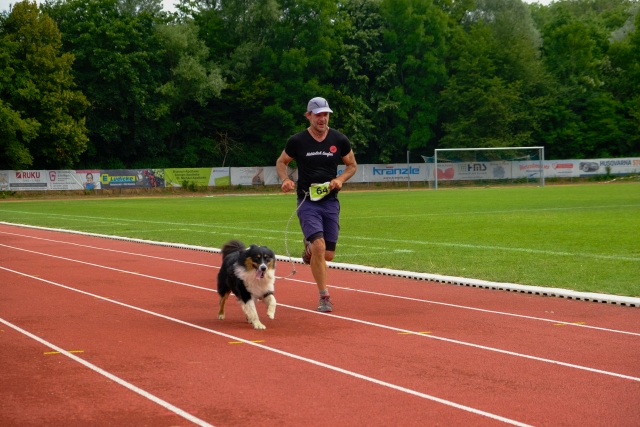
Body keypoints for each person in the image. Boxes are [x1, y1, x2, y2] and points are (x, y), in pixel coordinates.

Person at [276, 97, 358, 313]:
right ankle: (324, 297)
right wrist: (285, 179)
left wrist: (340, 179)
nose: (323, 118)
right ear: (309, 116)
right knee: (319, 246)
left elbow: (351, 165)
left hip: (330, 202)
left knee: (327, 254)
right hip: (307, 201)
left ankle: (309, 248)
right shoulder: (297, 141)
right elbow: (282, 161)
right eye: (318, 114)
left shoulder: (339, 139)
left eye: (326, 114)